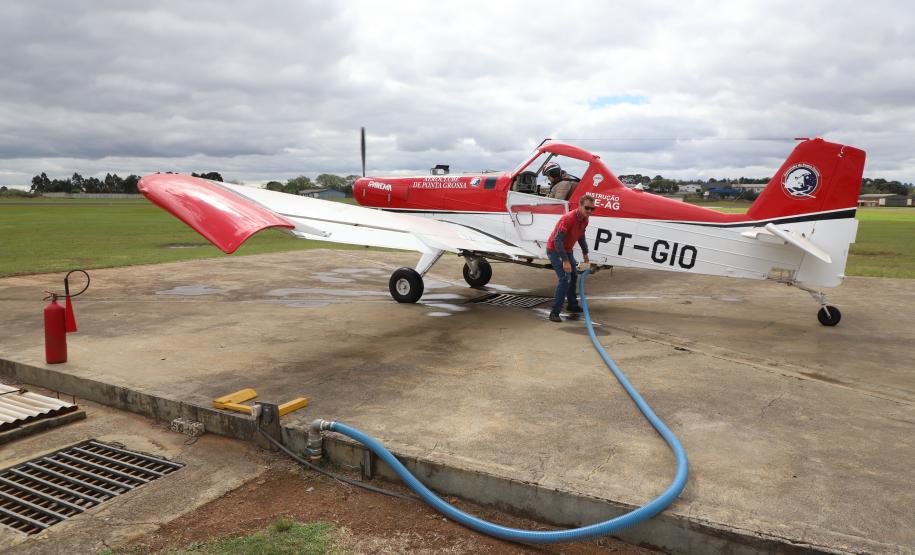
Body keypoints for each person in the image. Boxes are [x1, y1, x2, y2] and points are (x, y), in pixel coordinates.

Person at [546, 194, 594, 322]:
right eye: (587, 208)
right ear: (580, 206)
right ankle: (554, 312)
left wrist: (585, 252)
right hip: (555, 250)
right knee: (565, 278)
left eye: (592, 209)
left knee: (573, 275)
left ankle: (572, 305)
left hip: (567, 250)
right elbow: (557, 241)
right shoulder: (568, 219)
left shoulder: (585, 220)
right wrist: (565, 261)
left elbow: (581, 236)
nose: (589, 211)